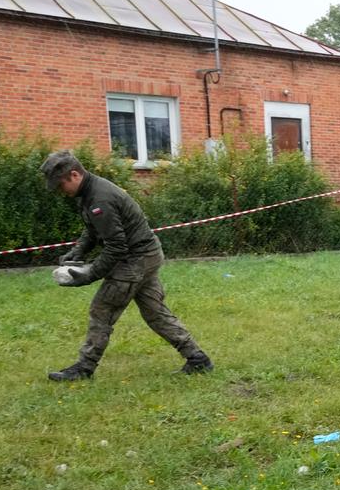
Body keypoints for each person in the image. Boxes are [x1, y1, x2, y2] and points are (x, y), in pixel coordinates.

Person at [40, 151, 212, 381]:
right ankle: (198, 359)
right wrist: (79, 250)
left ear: (74, 175)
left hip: (136, 259)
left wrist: (89, 275)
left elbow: (116, 247)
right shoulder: (89, 192)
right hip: (146, 255)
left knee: (102, 309)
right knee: (155, 312)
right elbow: (93, 229)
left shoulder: (99, 198)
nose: (61, 191)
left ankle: (84, 368)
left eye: (61, 185)